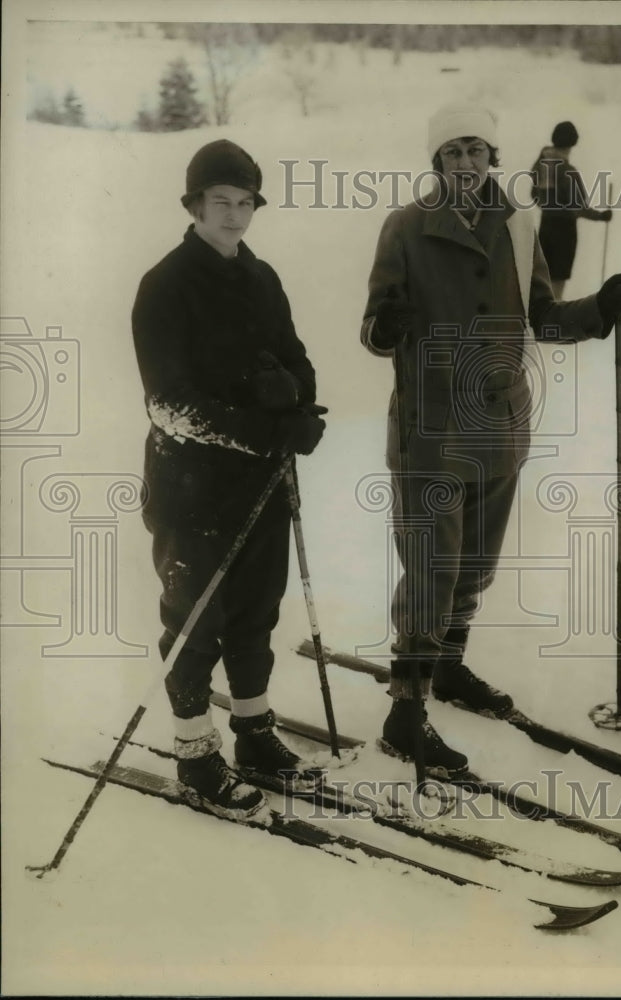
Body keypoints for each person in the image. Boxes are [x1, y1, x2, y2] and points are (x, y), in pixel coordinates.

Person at [360, 104, 621, 777]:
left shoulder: (514, 224)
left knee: (476, 562)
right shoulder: (402, 227)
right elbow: (372, 331)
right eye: (451, 153)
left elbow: (540, 316)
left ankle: (448, 671)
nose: (463, 164)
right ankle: (404, 714)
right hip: (431, 425)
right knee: (431, 570)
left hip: (500, 419)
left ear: (490, 157)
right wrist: (387, 325)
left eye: (474, 151)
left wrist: (597, 310)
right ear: (436, 162)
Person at [132, 139, 326, 820]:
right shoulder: (166, 284)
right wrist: (266, 425)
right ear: (194, 204)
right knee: (194, 622)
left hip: (261, 482)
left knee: (254, 612)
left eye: (245, 203)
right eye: (222, 201)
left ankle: (253, 735)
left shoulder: (262, 277)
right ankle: (193, 755)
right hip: (192, 487)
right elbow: (170, 404)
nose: (235, 215)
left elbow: (297, 360)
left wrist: (298, 406)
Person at [530, 121, 612, 298]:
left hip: (546, 225)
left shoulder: (541, 166)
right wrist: (601, 216)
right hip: (564, 231)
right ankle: (554, 316)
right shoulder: (569, 172)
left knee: (545, 276)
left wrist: (549, 206)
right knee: (558, 280)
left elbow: (534, 196)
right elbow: (579, 208)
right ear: (571, 144)